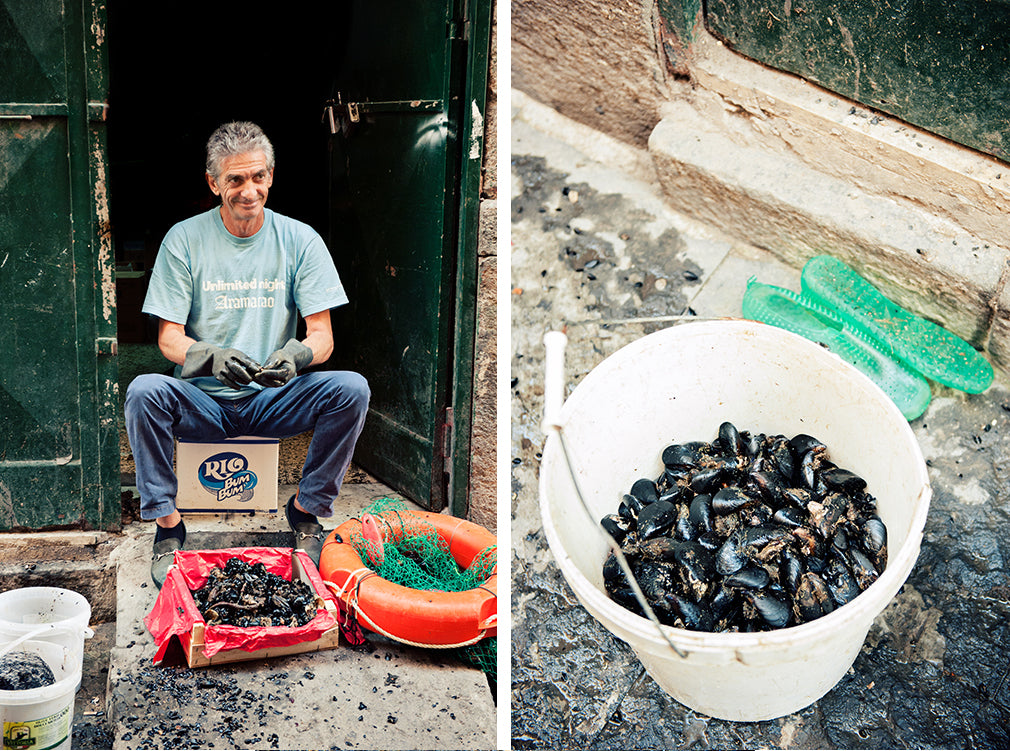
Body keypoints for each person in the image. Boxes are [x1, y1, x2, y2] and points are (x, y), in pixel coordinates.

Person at [125, 121, 370, 588]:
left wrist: (297, 356)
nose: (248, 190)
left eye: (258, 176)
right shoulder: (184, 239)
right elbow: (168, 339)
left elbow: (323, 336)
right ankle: (167, 523)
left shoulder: (300, 239)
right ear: (214, 183)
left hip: (272, 399)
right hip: (203, 402)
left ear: (271, 176)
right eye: (235, 179)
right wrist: (210, 357)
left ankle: (306, 510)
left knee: (351, 389)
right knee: (144, 391)